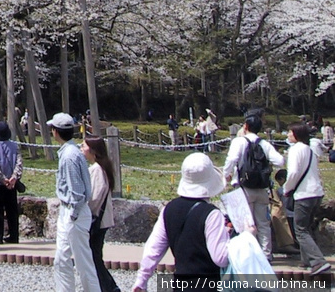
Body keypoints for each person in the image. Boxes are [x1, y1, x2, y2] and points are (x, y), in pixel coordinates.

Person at [134, 153, 229, 291]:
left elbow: (153, 249)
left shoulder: (169, 209)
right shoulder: (212, 214)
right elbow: (220, 258)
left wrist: (141, 280)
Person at [48, 112, 100, 292]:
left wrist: (72, 215)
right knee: (61, 260)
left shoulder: (69, 156)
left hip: (73, 212)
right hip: (69, 211)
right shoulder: (70, 152)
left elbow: (77, 192)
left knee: (83, 262)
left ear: (55, 131)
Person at [222, 112, 284, 260]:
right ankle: (266, 255)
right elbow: (280, 161)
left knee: (245, 223)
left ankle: (248, 255)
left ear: (246, 126)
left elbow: (231, 159)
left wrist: (226, 174)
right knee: (263, 223)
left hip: (243, 188)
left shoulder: (239, 142)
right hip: (261, 188)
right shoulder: (264, 144)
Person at [282, 122, 331, 275]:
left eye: (290, 132)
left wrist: (286, 188)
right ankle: (306, 259)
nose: (288, 135)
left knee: (300, 230)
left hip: (304, 194)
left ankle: (318, 261)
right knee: (307, 227)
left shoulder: (295, 150)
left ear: (296, 134)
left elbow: (293, 173)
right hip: (316, 192)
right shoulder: (309, 149)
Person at [81, 136, 119, 292]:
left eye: (83, 146)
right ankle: (107, 287)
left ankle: (109, 287)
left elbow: (95, 197)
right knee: (95, 257)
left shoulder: (97, 169)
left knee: (94, 258)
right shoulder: (102, 168)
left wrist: (84, 211)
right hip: (102, 219)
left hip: (97, 219)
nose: (81, 149)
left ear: (93, 150)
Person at [0, 121, 22, 245]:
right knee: (12, 209)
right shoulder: (15, 146)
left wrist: (3, 179)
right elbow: (19, 163)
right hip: (12, 185)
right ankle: (14, 235)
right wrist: (13, 178)